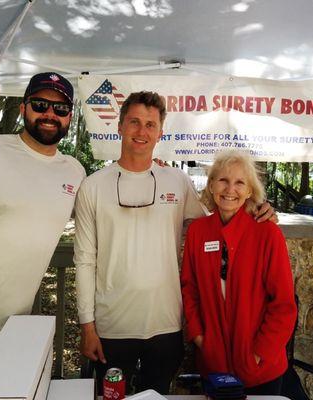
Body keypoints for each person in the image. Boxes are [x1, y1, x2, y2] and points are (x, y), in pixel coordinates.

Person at [74, 91, 276, 394]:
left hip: (166, 325)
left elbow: (216, 223)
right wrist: (87, 326)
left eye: (150, 125)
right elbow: (85, 260)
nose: (142, 132)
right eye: (134, 122)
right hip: (111, 326)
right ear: (119, 126)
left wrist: (257, 207)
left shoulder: (176, 182)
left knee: (158, 393)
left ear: (160, 133)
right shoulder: (93, 186)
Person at [0, 72, 86, 379]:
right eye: (40, 104)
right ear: (23, 108)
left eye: (60, 109)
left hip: (14, 328)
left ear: (69, 117)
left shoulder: (75, 171)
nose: (50, 114)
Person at [180, 150, 297, 395]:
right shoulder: (198, 232)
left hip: (260, 369)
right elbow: (189, 290)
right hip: (214, 366)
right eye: (222, 180)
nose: (230, 189)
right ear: (211, 185)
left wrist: (258, 354)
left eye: (239, 182)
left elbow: (283, 305)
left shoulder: (267, 234)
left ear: (249, 191)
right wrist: (200, 338)